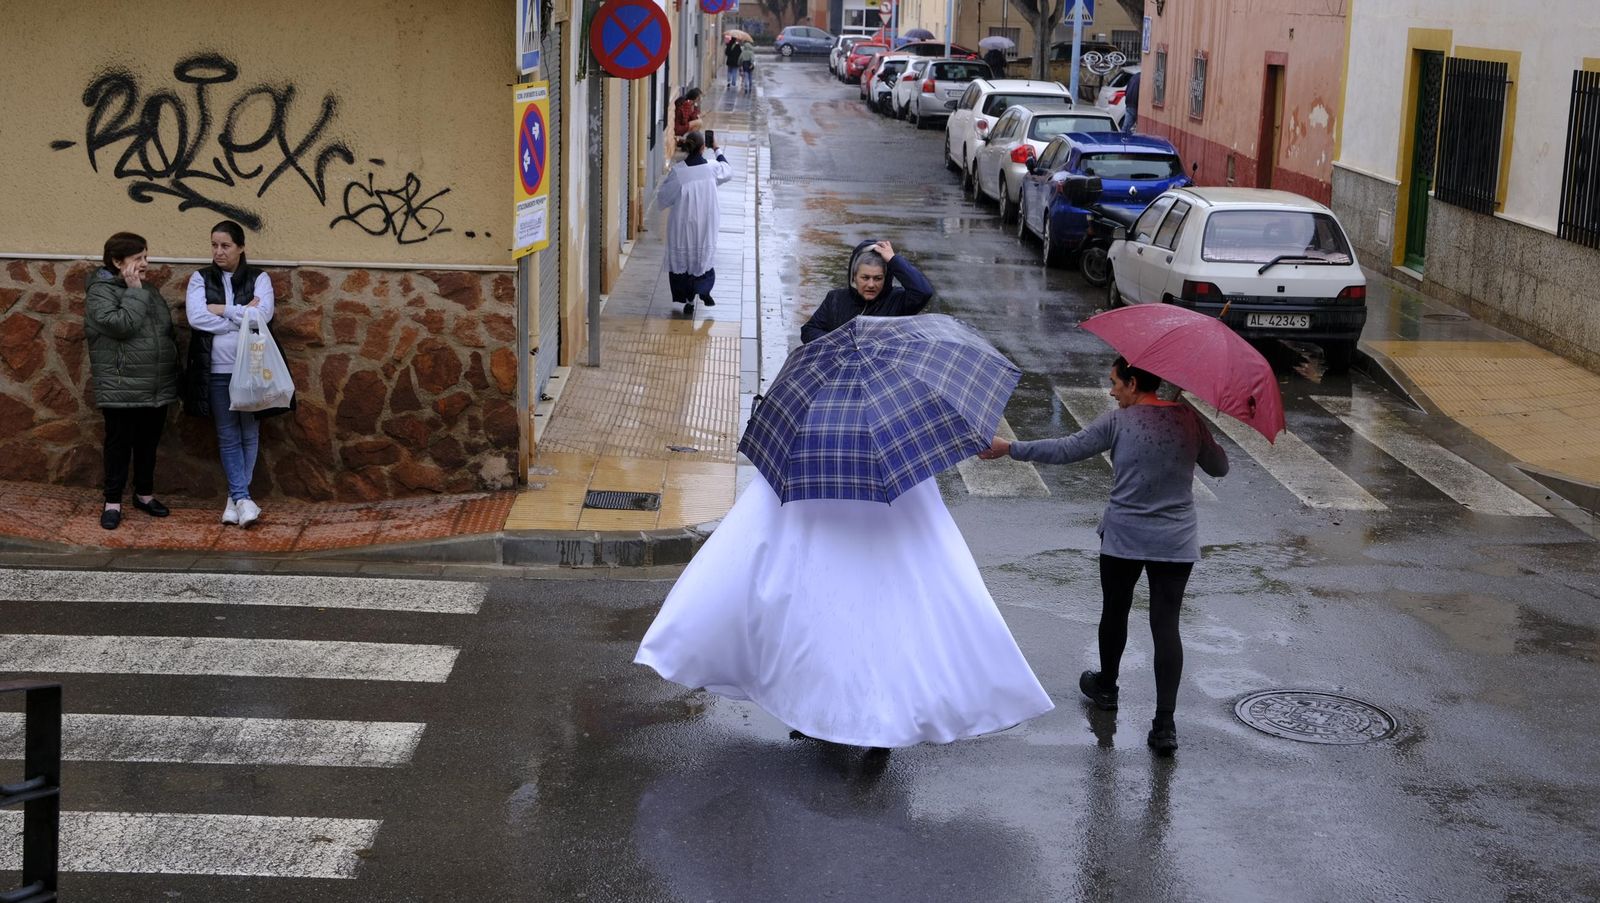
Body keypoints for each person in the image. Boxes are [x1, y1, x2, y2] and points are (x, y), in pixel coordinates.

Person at [979, 357, 1229, 755]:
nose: (1111, 392)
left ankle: (1107, 688)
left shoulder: (1119, 423)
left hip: (1124, 538)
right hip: (1175, 542)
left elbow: (1068, 449)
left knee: (1115, 611)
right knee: (1166, 627)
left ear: (1133, 384)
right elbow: (1220, 468)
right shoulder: (1188, 419)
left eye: (1115, 383)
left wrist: (1010, 448)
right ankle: (1164, 726)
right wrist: (1197, 427)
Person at [84, 232, 180, 531]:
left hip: (155, 383)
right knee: (119, 444)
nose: (145, 264)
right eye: (138, 258)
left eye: (146, 257)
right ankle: (112, 501)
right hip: (121, 384)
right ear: (116, 261)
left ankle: (144, 494)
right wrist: (135, 290)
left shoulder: (149, 290)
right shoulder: (101, 292)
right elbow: (121, 325)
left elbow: (164, 330)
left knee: (148, 443)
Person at [185, 220, 275, 528]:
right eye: (214, 245)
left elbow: (262, 317)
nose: (218, 251)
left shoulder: (259, 278)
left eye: (225, 245)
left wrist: (222, 310)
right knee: (227, 434)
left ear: (240, 247)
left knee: (250, 432)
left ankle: (236, 499)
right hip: (217, 369)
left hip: (251, 368)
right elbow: (196, 318)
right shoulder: (199, 278)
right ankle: (242, 497)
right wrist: (241, 313)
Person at [658, 131, 734, 317]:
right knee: (703, 258)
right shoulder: (712, 168)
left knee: (684, 261)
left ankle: (689, 300)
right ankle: (704, 290)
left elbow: (663, 199)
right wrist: (716, 148)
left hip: (683, 225)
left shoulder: (678, 171)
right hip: (706, 222)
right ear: (703, 147)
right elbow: (728, 169)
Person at [799, 240, 933, 343]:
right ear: (854, 277)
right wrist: (839, 342)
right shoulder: (836, 299)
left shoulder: (897, 301)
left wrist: (893, 259)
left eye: (878, 278)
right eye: (865, 278)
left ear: (885, 279)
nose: (871, 284)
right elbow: (809, 331)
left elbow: (923, 292)